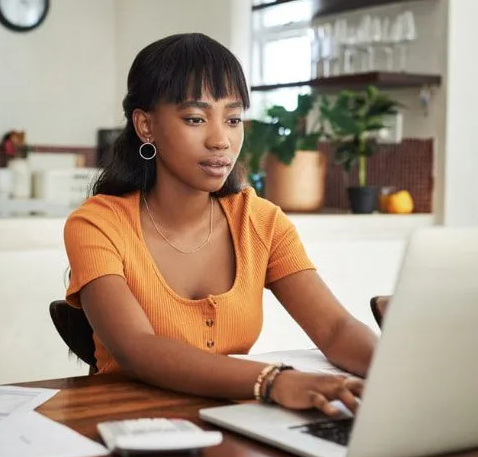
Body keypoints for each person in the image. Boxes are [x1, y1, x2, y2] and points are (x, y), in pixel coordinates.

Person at [63, 33, 378, 416]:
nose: (221, 140)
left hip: (235, 427)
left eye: (233, 119)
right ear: (146, 126)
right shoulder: (98, 224)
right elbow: (137, 347)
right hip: (125, 431)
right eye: (195, 119)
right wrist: (273, 381)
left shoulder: (260, 222)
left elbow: (335, 330)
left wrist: (400, 373)